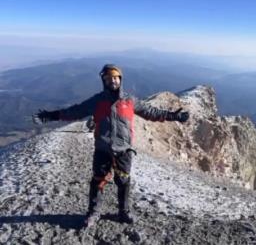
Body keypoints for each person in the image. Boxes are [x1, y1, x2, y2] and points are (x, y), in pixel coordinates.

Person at [33, 64, 189, 227]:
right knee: (98, 181)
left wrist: (174, 116)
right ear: (104, 81)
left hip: (124, 150)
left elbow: (152, 112)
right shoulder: (97, 101)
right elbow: (75, 111)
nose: (113, 81)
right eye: (109, 78)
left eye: (115, 78)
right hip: (103, 149)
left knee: (123, 181)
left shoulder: (130, 100)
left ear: (120, 80)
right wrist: (51, 116)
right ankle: (93, 212)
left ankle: (124, 212)